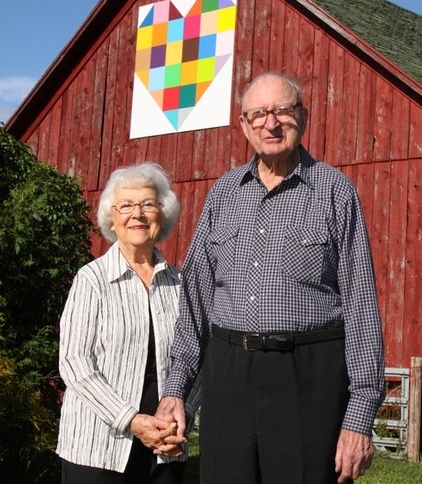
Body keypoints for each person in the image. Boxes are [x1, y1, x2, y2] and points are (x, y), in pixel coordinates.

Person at [156, 73, 385, 484]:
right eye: (258, 114)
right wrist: (177, 391)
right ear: (244, 126)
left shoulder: (335, 191)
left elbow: (362, 308)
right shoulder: (223, 193)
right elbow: (195, 303)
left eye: (282, 110)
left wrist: (359, 416)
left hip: (308, 378)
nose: (271, 123)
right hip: (229, 375)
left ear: (303, 117)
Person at [56, 162, 199, 484]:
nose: (138, 214)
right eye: (126, 206)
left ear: (163, 214)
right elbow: (75, 361)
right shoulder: (91, 279)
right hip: (96, 447)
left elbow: (197, 358)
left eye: (148, 204)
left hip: (165, 446)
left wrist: (183, 415)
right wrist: (132, 421)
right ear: (112, 217)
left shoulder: (181, 285)